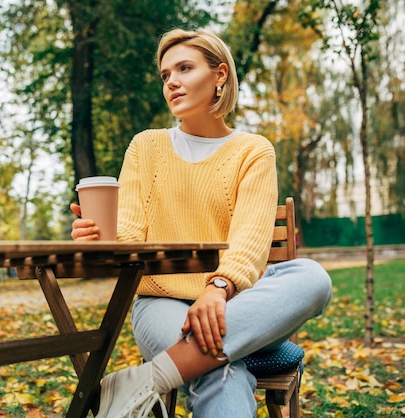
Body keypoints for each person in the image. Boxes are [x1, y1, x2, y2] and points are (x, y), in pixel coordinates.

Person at [70, 28, 332, 418]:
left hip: (238, 304)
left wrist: (219, 288)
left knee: (312, 278)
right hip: (162, 304)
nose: (171, 81)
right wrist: (99, 238)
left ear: (220, 75)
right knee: (218, 370)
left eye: (184, 68)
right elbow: (130, 237)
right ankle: (175, 366)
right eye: (165, 75)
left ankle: (149, 379)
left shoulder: (252, 151)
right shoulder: (146, 147)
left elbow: (249, 240)